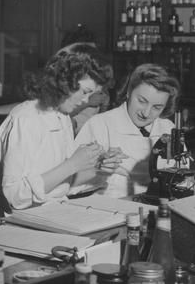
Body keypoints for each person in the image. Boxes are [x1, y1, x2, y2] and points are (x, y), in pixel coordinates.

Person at [0, 43, 125, 216]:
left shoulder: (62, 117)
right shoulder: (26, 119)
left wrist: (99, 169)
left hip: (55, 215)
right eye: (85, 91)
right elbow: (15, 196)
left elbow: (63, 186)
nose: (86, 100)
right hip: (22, 225)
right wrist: (72, 164)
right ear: (65, 80)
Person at [75, 63, 181, 198]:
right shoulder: (100, 124)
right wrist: (98, 169)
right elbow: (70, 183)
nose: (146, 113)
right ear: (129, 92)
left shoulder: (167, 128)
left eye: (157, 107)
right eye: (142, 101)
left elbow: (181, 175)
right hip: (111, 209)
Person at [60, 24, 115, 134]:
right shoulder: (66, 78)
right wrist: (88, 103)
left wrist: (105, 104)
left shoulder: (97, 74)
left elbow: (101, 116)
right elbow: (58, 116)